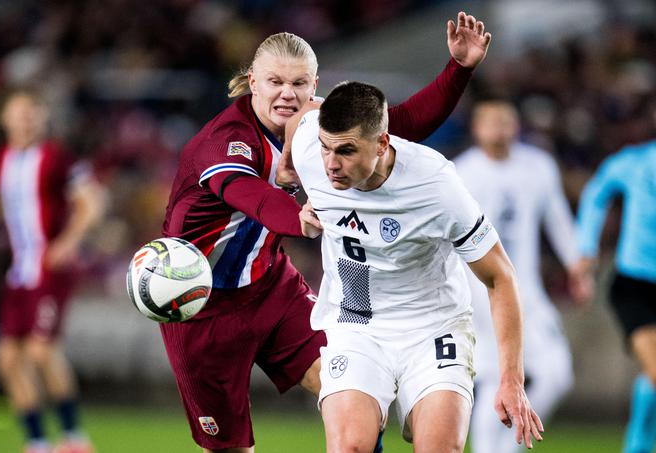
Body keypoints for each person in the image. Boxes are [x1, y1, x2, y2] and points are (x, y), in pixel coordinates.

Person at [160, 12, 491, 452]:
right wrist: (295, 216)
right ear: (252, 82)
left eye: (300, 83)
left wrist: (459, 69)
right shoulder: (224, 141)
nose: (287, 94)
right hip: (203, 305)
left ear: (314, 84)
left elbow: (398, 128)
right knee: (230, 448)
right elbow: (245, 192)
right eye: (275, 81)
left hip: (273, 290)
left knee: (352, 398)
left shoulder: (318, 128)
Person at [288, 81, 542, 452]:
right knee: (349, 447)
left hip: (432, 330)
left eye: (345, 151)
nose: (330, 164)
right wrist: (284, 170)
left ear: (382, 144)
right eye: (326, 148)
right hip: (357, 324)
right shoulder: (312, 151)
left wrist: (511, 379)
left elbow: (499, 276)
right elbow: (305, 114)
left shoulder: (436, 186)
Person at [453, 100, 592, 453]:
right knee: (490, 378)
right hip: (478, 293)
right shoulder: (461, 172)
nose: (499, 129)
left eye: (505, 122)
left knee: (557, 374)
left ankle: (507, 447)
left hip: (526, 290)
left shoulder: (538, 167)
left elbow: (557, 218)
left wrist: (576, 264)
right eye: (491, 122)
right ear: (477, 128)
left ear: (516, 127)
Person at [0, 90, 104, 453]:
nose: (26, 120)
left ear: (43, 118)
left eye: (33, 113)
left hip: (51, 268)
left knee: (40, 350)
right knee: (6, 358)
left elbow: (92, 202)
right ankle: (37, 442)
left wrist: (69, 241)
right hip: (20, 272)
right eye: (19, 113)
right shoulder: (0, 159)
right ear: (5, 119)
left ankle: (75, 439)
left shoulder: (58, 158)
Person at [575, 113, 656, 453]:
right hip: (635, 284)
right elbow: (596, 193)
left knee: (653, 374)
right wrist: (585, 247)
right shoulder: (634, 163)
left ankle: (636, 445)